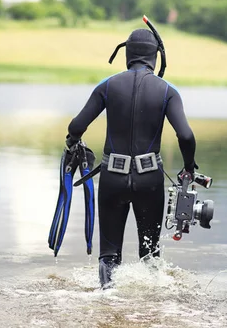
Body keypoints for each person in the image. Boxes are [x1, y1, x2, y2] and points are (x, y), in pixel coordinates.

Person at [65, 19, 197, 288]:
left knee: (110, 255)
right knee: (149, 252)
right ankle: (151, 304)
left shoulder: (108, 85)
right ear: (155, 56)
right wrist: (189, 167)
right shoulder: (168, 91)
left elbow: (76, 126)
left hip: (112, 177)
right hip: (149, 180)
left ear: (126, 55)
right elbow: (185, 135)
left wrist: (72, 144)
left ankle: (107, 299)